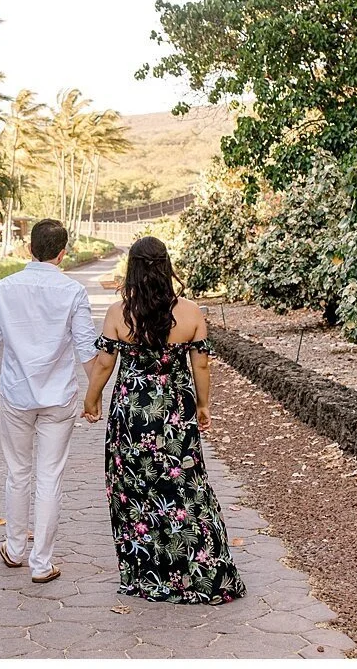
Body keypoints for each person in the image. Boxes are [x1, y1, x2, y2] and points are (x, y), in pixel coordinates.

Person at [82, 235, 246, 605]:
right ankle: (200, 574)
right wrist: (204, 405)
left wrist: (91, 400)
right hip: (175, 414)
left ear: (133, 268)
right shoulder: (190, 312)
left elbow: (105, 363)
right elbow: (200, 363)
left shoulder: (118, 313)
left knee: (136, 491)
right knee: (184, 489)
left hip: (133, 417)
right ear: (166, 265)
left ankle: (149, 575)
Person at [0, 219, 97, 584]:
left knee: (18, 472)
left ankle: (14, 550)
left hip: (16, 395)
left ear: (30, 249)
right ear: (63, 252)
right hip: (59, 398)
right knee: (50, 477)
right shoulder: (73, 291)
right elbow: (87, 348)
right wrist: (94, 396)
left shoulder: (5, 287)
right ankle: (42, 564)